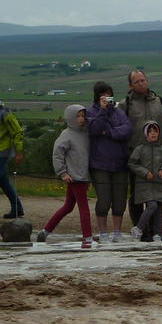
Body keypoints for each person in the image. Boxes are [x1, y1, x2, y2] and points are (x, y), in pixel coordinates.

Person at [36, 105, 94, 249]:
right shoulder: (66, 135)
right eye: (78, 116)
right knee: (83, 207)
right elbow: (57, 154)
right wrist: (62, 173)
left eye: (83, 115)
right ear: (70, 118)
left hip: (84, 175)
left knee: (68, 206)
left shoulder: (86, 132)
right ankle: (87, 237)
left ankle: (45, 231)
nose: (81, 119)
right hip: (75, 177)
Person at [122, 70, 162, 233]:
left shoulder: (160, 102)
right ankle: (140, 230)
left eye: (143, 80)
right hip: (136, 156)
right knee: (136, 196)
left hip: (158, 156)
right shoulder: (125, 104)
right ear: (130, 85)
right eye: (137, 82)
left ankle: (155, 232)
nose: (141, 83)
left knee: (157, 196)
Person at [86, 81, 133, 244]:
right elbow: (94, 129)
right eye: (103, 95)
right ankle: (103, 232)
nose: (107, 98)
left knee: (120, 200)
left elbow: (127, 129)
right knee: (104, 199)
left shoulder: (119, 112)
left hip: (120, 162)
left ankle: (117, 232)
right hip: (99, 164)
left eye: (109, 94)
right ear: (97, 96)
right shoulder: (90, 111)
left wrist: (108, 132)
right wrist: (103, 111)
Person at [128, 121, 162, 243]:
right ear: (146, 134)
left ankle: (157, 234)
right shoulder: (139, 149)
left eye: (155, 131)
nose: (153, 134)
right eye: (150, 131)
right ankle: (138, 228)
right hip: (144, 184)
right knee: (152, 205)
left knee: (158, 208)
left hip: (159, 184)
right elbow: (132, 163)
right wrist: (144, 172)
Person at [0, 101, 25, 219]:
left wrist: (19, 152)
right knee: (2, 180)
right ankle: (17, 208)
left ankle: (17, 207)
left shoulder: (4, 112)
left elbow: (17, 132)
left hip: (3, 150)